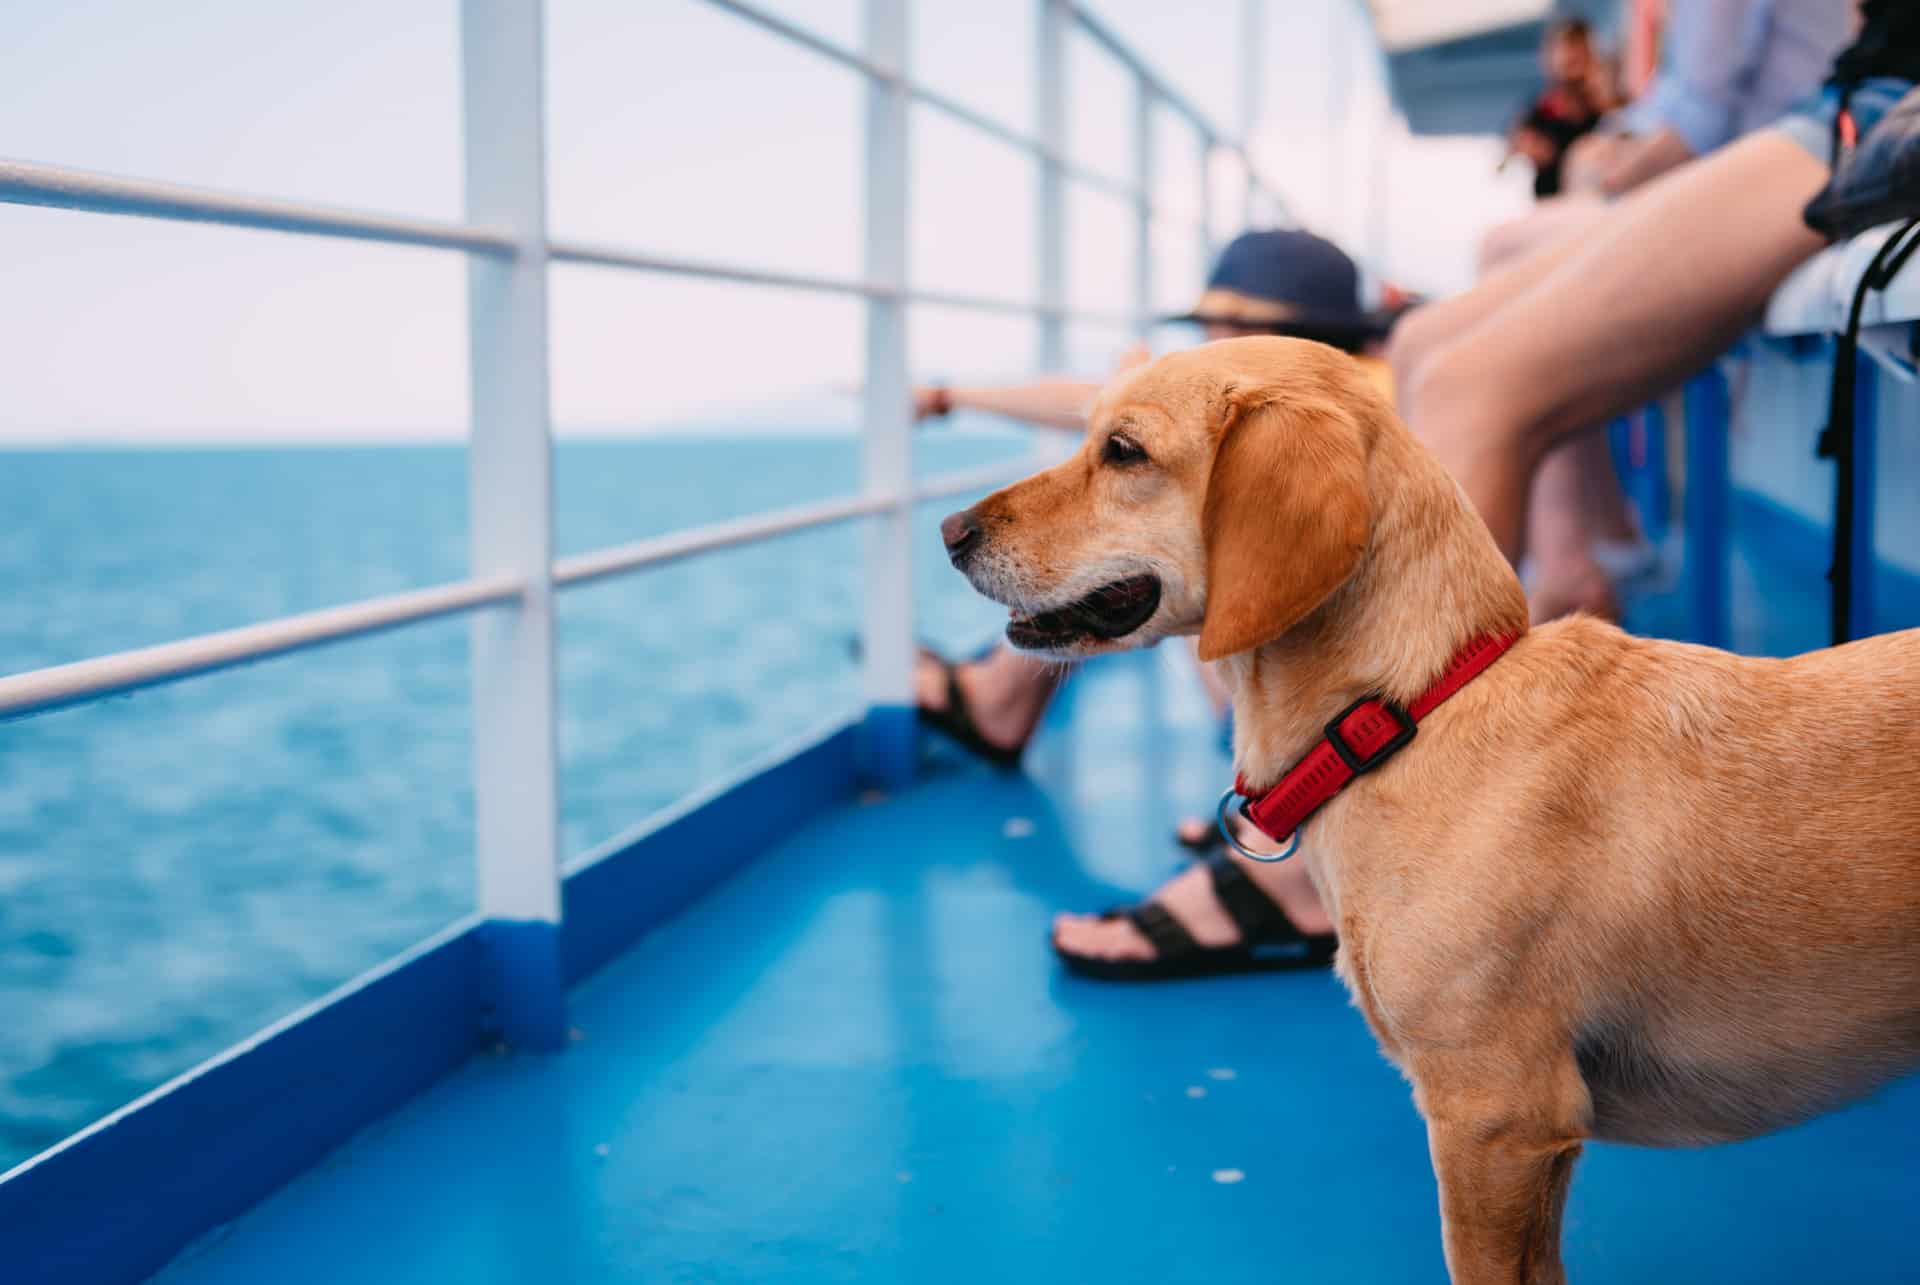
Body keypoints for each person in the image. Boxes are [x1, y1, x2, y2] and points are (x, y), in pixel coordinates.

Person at [1050, 1, 1920, 980]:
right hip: (1848, 109)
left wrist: (1609, 160)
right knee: (1424, 344)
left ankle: (1305, 856)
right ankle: (1571, 582)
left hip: (1868, 115)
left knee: (1475, 385)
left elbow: (1704, 105)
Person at [911, 229, 1397, 768]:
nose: (1209, 342)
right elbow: (1089, 401)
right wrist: (950, 397)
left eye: (1230, 328)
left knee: (1137, 536)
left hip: (1309, 708)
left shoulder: (1303, 419)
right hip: (1326, 697)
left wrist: (948, 397)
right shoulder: (1366, 394)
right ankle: (997, 698)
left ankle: (996, 703)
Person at [1478, 0, 1855, 621]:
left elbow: (1700, 119)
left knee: (1491, 312)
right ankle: (1595, 545)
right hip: (1769, 160)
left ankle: (1577, 570)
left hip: (1775, 173)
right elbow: (1678, 108)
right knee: (1490, 295)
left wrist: (1603, 177)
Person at [1503, 19, 1608, 200]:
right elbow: (1512, 150)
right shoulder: (1543, 108)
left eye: (1577, 48)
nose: (1571, 56)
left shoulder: (1603, 93)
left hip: (1596, 186)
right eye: (1565, 49)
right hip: (1557, 196)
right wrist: (1529, 148)